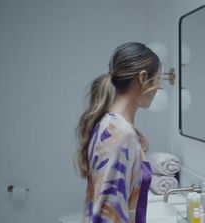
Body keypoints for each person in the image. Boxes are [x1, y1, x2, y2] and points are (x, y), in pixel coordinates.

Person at [76, 42, 161, 223]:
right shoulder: (118, 134)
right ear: (143, 78)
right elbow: (105, 216)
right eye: (157, 80)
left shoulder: (118, 128)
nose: (158, 89)